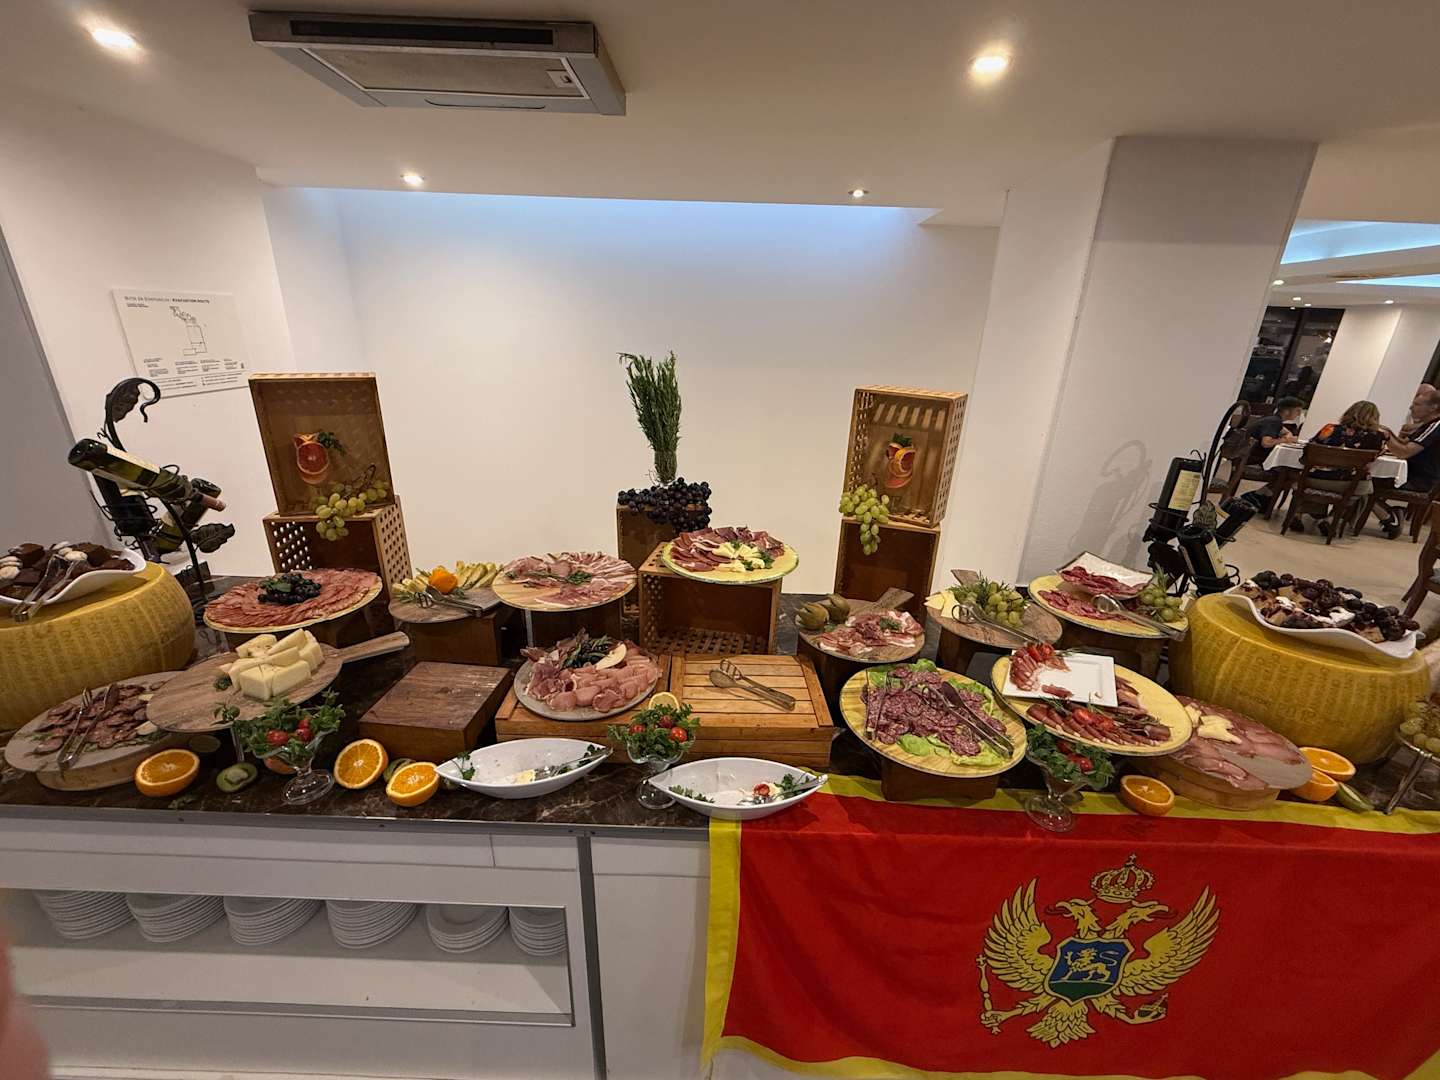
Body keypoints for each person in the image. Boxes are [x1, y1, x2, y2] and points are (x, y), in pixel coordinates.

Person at [1290, 400, 1386, 535]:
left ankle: (1300, 514)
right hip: (1346, 483)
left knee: (1320, 480)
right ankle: (1333, 520)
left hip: (1314, 479)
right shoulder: (1377, 437)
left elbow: (1307, 452)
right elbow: (1370, 462)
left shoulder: (1330, 429)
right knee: (1366, 489)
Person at [1375, 386, 1440, 538]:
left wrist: (1386, 436)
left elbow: (1404, 452)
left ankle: (1390, 517)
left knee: (1362, 481)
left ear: (1433, 408)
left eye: (1417, 404)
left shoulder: (1435, 426)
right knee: (1360, 478)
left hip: (1419, 480)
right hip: (1410, 474)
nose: (1411, 408)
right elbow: (1404, 444)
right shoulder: (1426, 425)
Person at [1238, 397, 1306, 513]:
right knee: (1289, 474)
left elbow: (1287, 432)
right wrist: (1285, 440)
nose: (1299, 414)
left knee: (1289, 473)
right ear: (1287, 411)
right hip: (1253, 460)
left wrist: (1287, 436)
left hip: (1249, 456)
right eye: (1297, 411)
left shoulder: (1273, 419)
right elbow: (1266, 443)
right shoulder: (1274, 422)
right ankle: (1259, 496)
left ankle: (1260, 495)